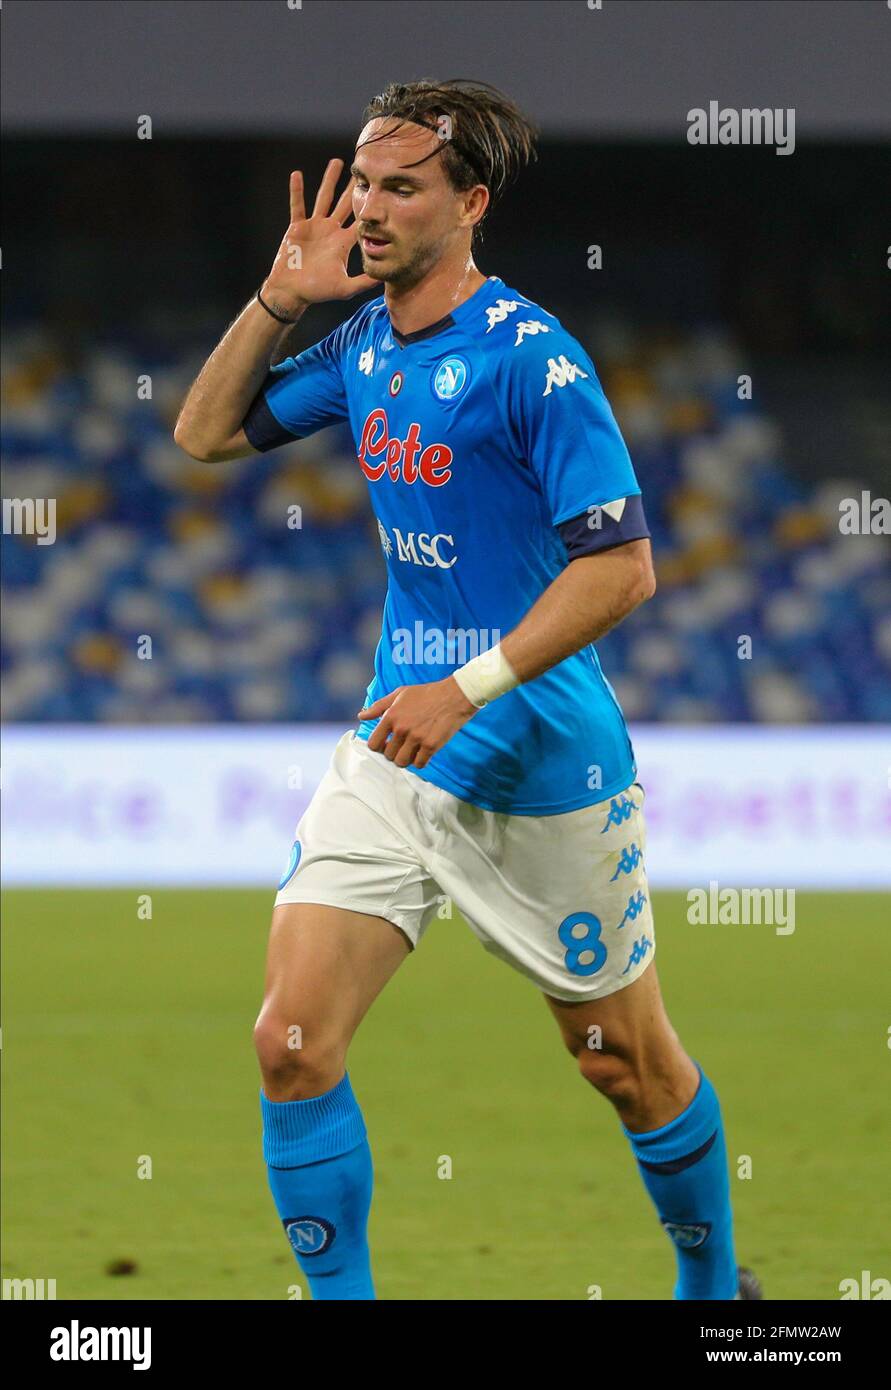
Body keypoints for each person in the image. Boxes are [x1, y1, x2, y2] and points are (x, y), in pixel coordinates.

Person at [174, 78, 760, 1303]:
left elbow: (626, 568)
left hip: (540, 753)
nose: (369, 211)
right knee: (290, 1044)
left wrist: (471, 684)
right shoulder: (361, 344)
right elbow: (206, 434)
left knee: (625, 1066)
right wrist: (280, 297)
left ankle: (715, 1297)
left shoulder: (533, 361)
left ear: (470, 204)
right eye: (361, 184)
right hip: (398, 740)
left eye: (400, 188)